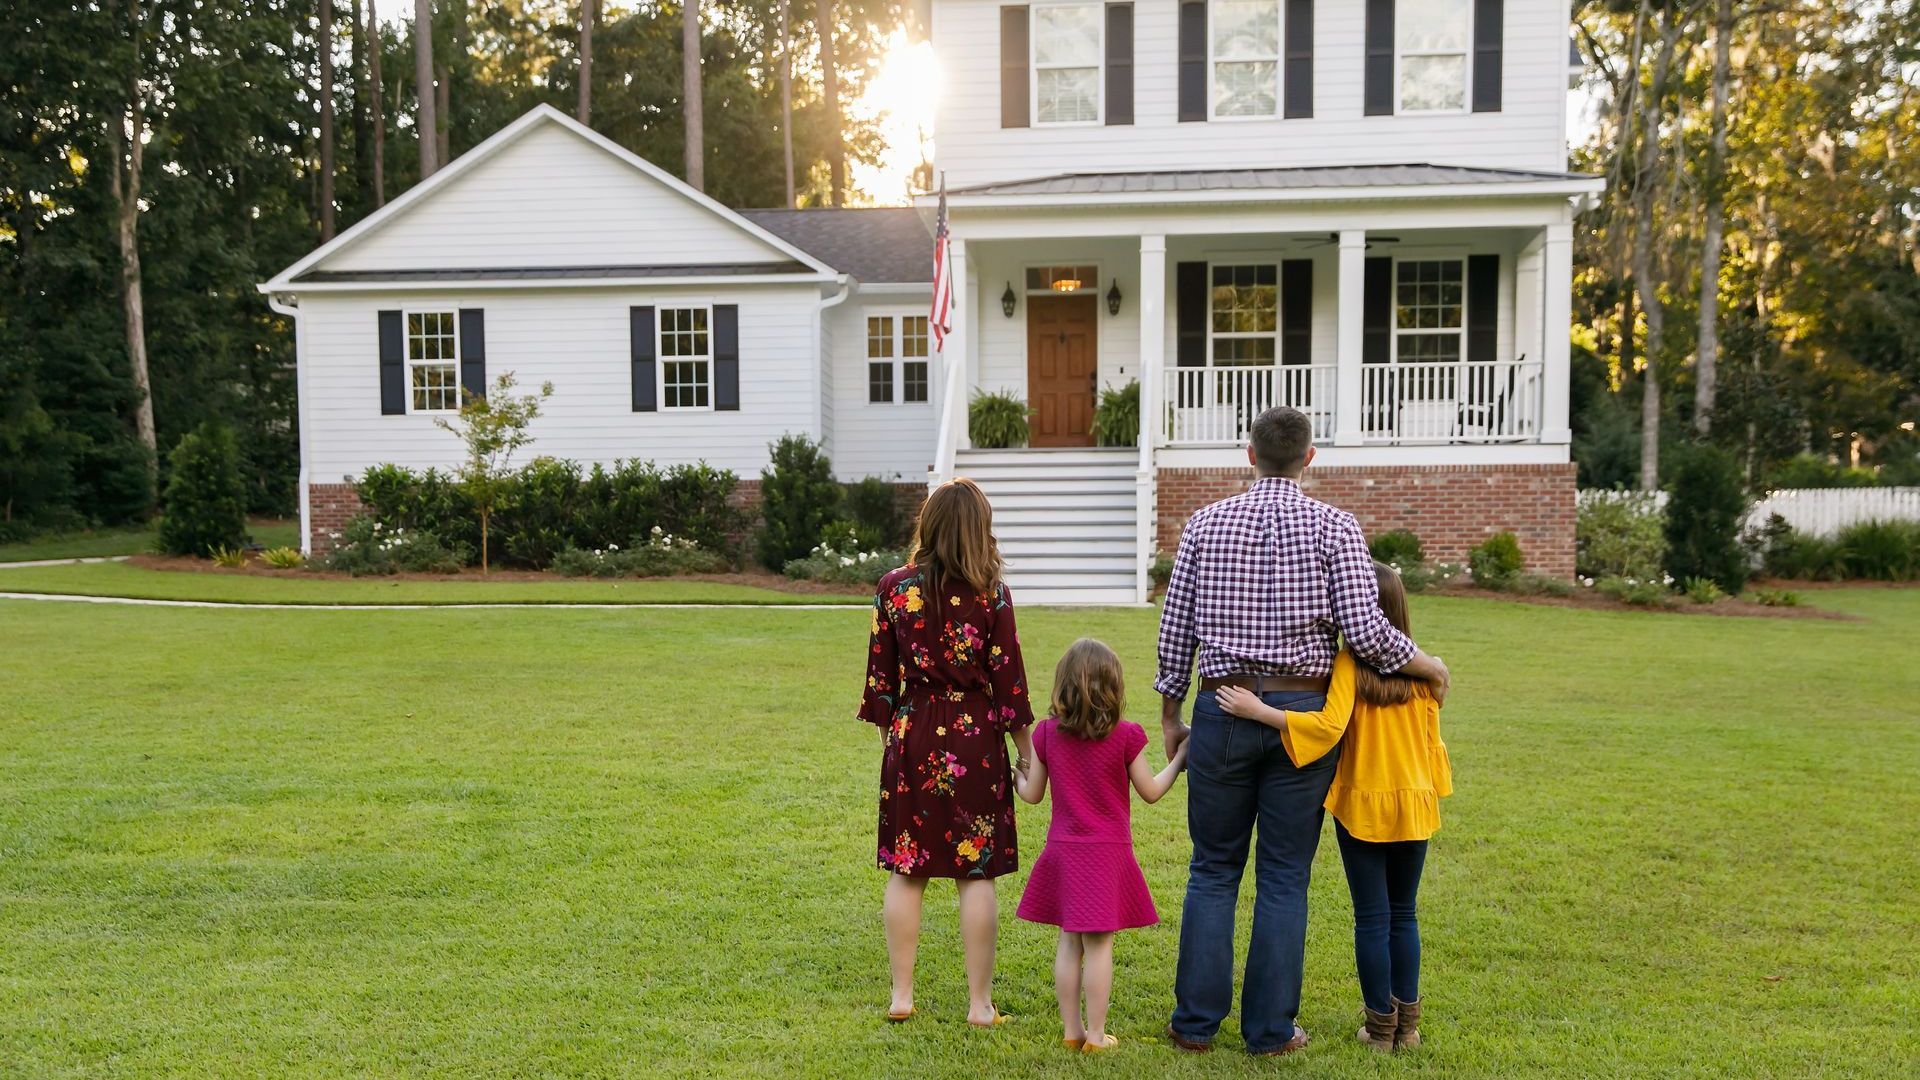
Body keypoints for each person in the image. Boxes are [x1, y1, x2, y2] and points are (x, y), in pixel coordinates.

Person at [1154, 406, 1452, 1056]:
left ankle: (1195, 1025)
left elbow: (1175, 629)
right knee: (1284, 875)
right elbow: (1367, 632)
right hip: (1305, 719)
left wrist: (1172, 715)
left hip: (1222, 707)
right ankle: (1269, 1032)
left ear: (1248, 454)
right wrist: (1427, 664)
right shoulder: (1336, 529)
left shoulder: (1205, 525)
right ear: (1309, 457)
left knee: (1212, 870)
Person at [1216, 561, 1453, 1052]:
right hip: (1414, 804)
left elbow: (1326, 728)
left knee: (1372, 917)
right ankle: (1408, 1029)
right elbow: (1433, 745)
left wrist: (1258, 711)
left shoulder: (1347, 664)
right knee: (1404, 914)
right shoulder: (1426, 674)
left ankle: (1380, 1029)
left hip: (1362, 806)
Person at [856, 477, 1034, 1028]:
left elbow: (880, 685)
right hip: (976, 735)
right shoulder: (993, 593)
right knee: (974, 872)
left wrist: (896, 744)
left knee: (907, 869)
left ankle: (901, 995)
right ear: (980, 531)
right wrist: (1027, 756)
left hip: (913, 732)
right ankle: (980, 1005)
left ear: (927, 525)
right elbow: (1010, 685)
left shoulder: (893, 588)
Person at [1012, 639, 1189, 1053]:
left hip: (1063, 852)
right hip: (1107, 854)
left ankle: (1072, 1032)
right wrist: (1180, 759)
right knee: (1099, 946)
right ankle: (1095, 1035)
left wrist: (1017, 774)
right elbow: (1150, 791)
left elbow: (1032, 793)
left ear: (1063, 686)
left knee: (1069, 942)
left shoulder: (1047, 734)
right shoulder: (1125, 735)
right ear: (1114, 687)